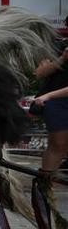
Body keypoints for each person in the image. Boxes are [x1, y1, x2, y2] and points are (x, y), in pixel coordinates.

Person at [33, 47, 68, 175]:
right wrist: (62, 58)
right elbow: (39, 73)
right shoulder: (57, 46)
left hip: (52, 97)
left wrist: (49, 95)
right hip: (58, 103)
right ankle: (44, 185)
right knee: (58, 144)